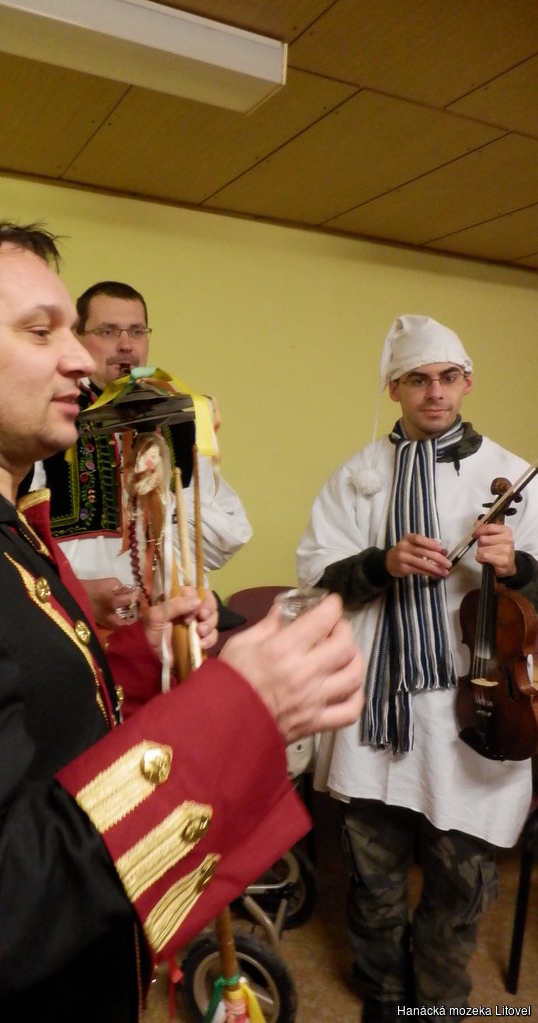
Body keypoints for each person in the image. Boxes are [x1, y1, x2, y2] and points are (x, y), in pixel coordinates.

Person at [0, 222, 364, 1023]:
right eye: (40, 330)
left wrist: (137, 660)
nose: (83, 359)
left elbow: (20, 720)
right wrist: (234, 714)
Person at [297, 314, 538, 1021]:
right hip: (378, 704)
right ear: (394, 388)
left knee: (459, 883)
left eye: (447, 377)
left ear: (467, 382)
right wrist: (382, 563)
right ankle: (383, 994)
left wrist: (517, 567)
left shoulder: (511, 471)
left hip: (477, 702)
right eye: (417, 379)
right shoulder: (359, 477)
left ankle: (438, 1001)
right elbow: (315, 577)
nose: (434, 392)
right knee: (371, 877)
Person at [30, 280, 252, 630]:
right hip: (71, 622)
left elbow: (227, 538)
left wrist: (162, 504)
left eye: (136, 331)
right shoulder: (48, 417)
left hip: (166, 627)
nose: (125, 344)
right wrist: (75, 590)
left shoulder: (176, 419)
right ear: (76, 338)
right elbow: (15, 540)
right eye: (107, 331)